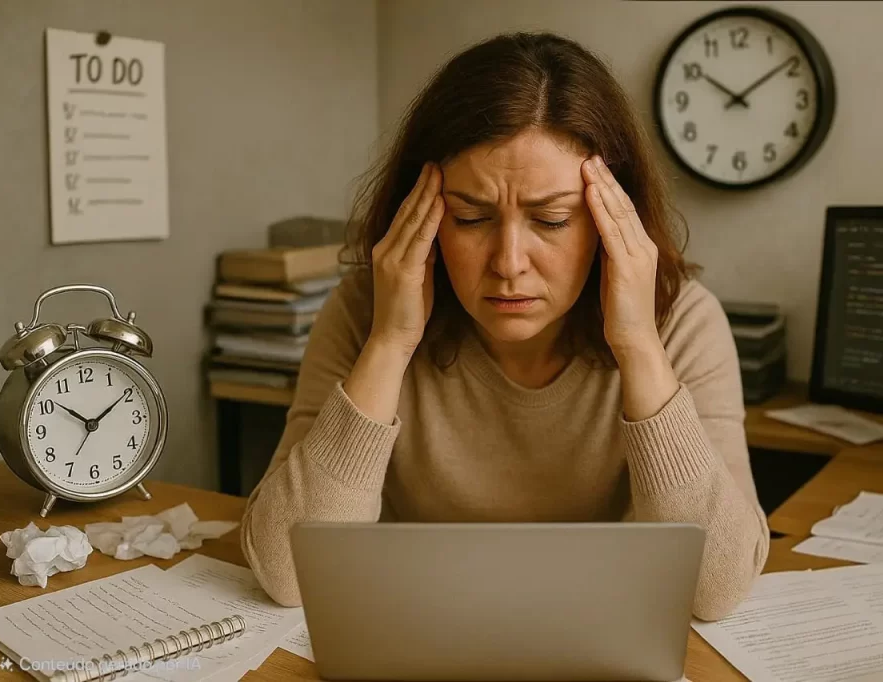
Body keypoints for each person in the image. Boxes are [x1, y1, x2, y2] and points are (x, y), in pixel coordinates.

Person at [241, 30, 769, 622]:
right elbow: (286, 575)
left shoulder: (685, 322)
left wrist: (639, 345)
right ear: (425, 215)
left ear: (609, 220)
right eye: (471, 217)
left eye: (551, 219)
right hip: (418, 629)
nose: (509, 262)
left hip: (595, 638)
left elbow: (717, 591)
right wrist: (389, 343)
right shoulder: (367, 312)